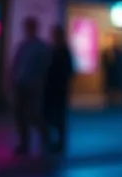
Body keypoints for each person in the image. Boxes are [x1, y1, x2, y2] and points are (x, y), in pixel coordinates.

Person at [10, 17, 50, 156]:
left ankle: (44, 137)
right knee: (20, 114)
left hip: (33, 84)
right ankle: (24, 143)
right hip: (21, 83)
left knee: (33, 114)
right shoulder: (23, 46)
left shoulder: (40, 47)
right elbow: (15, 64)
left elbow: (45, 67)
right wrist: (12, 79)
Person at [43, 25, 75, 153]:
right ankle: (54, 141)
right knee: (51, 116)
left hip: (57, 88)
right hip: (52, 88)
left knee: (57, 116)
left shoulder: (62, 51)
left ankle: (58, 142)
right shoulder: (54, 50)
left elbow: (68, 70)